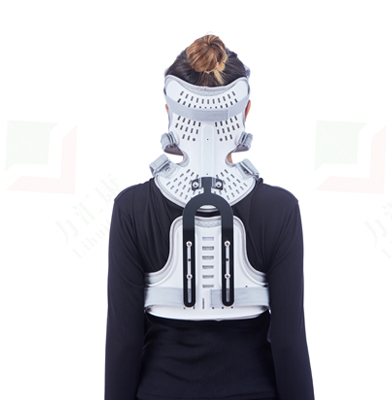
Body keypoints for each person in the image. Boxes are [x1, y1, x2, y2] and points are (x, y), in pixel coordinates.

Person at [105, 34, 315, 400]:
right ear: (245, 112)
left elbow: (123, 342)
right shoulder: (281, 209)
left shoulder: (131, 208)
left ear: (169, 111)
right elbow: (289, 342)